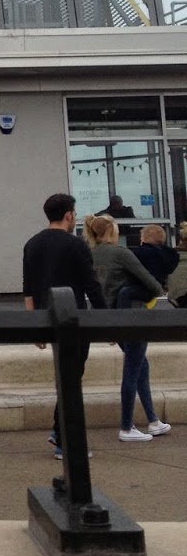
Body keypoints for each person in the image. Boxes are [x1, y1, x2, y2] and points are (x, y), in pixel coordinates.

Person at [22, 192, 105, 459]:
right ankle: (65, 440)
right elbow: (91, 285)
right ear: (68, 215)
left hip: (46, 317)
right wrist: (107, 319)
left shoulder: (31, 244)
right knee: (72, 377)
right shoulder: (75, 245)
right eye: (74, 214)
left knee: (66, 374)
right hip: (74, 318)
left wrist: (34, 324)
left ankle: (59, 431)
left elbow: (28, 290)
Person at [82, 214, 170, 444]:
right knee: (132, 368)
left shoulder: (91, 255)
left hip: (110, 318)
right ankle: (126, 426)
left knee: (140, 364)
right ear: (112, 231)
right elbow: (154, 286)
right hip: (132, 316)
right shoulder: (121, 253)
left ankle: (153, 419)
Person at [134, 223, 180, 290]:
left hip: (143, 288)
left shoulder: (140, 253)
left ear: (144, 239)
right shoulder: (172, 254)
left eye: (141, 238)